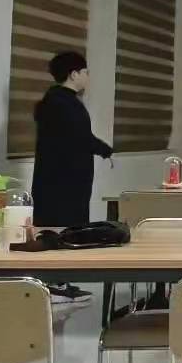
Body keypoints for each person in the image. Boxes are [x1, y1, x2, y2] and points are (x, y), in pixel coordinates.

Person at [32, 51, 113, 301]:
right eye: (86, 72)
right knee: (62, 229)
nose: (88, 77)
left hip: (58, 179)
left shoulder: (56, 100)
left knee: (61, 229)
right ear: (74, 74)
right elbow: (80, 138)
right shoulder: (64, 103)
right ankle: (55, 284)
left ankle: (59, 282)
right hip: (64, 181)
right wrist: (104, 149)